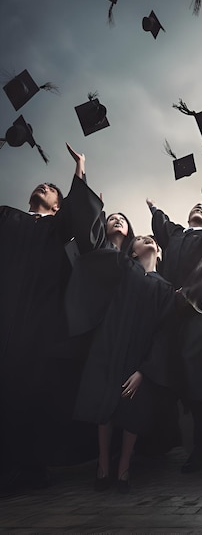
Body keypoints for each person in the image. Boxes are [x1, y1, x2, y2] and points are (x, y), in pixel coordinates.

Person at [0, 144, 103, 494]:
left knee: (33, 390)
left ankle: (31, 466)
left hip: (40, 323)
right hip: (6, 312)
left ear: (58, 205)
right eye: (42, 185)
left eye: (52, 188)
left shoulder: (59, 228)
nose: (45, 186)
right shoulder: (5, 216)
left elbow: (80, 213)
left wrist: (80, 167)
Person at [148, 166, 202, 473]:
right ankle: (162, 442)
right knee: (166, 372)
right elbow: (161, 224)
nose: (200, 209)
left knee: (195, 371)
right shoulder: (175, 236)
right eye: (195, 207)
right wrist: (153, 206)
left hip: (200, 309)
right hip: (171, 312)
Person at [69, 235, 175, 493]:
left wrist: (144, 371)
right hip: (108, 349)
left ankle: (124, 467)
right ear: (133, 252)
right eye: (139, 239)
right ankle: (103, 465)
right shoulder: (125, 271)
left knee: (133, 410)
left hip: (140, 358)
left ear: (159, 253)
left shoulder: (166, 288)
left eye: (150, 239)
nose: (146, 239)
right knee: (104, 403)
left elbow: (164, 335)